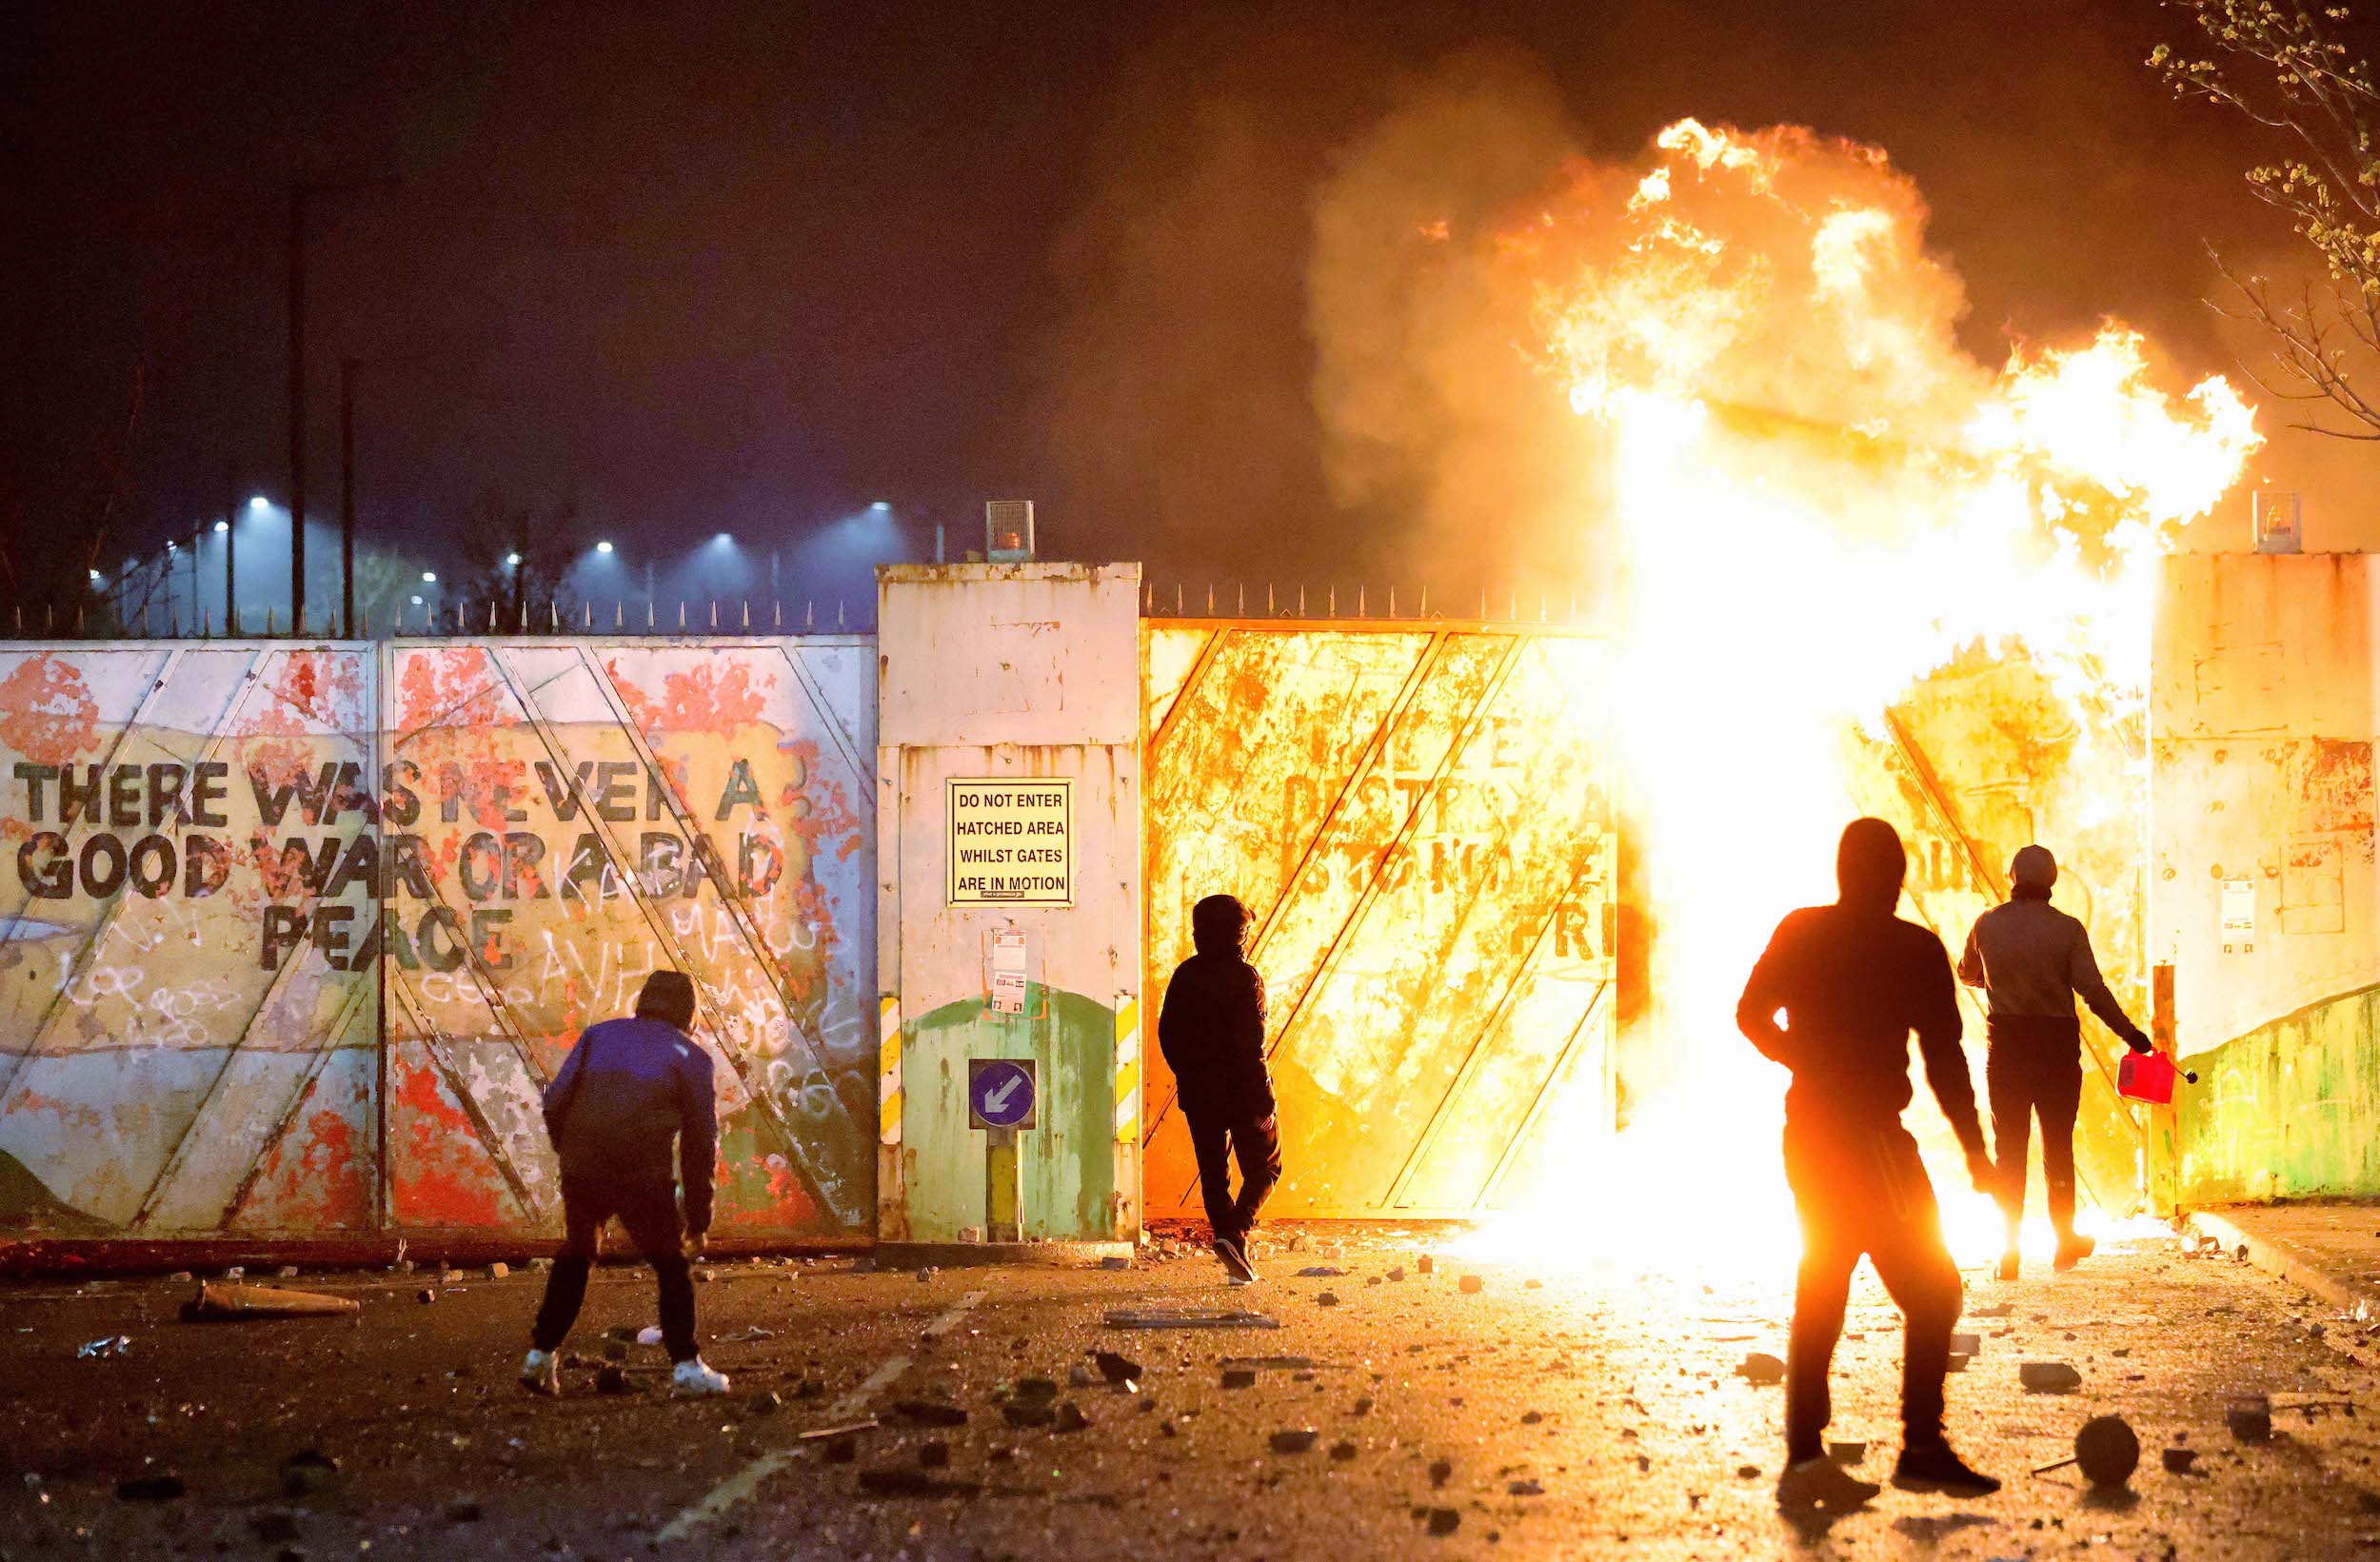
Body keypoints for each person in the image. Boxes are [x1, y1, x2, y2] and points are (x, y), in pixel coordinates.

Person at [1737, 818, 2000, 1506]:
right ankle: (1920, 1447)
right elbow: (1944, 1061)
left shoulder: (1801, 930)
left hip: (1809, 1132)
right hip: (1873, 1142)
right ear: (1894, 876)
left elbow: (1749, 1013)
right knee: (1934, 1289)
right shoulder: (1913, 948)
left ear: (1841, 870)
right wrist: (1976, 1151)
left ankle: (1804, 1458)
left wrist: (1801, 1058)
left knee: (1822, 1281)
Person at [520, 970, 730, 1397]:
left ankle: (540, 1357)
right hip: (642, 1171)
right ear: (690, 1013)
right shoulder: (692, 1058)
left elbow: (555, 1100)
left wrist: (570, 1152)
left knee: (578, 1252)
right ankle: (687, 1367)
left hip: (583, 1165)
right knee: (671, 1264)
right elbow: (700, 1145)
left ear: (642, 1002)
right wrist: (698, 1220)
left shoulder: (598, 1036)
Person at [1958, 844, 2151, 1279]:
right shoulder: (2068, 929)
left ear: (2012, 877)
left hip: (2007, 1049)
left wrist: (1995, 978)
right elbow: (2093, 990)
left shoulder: (1986, 924)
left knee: (2009, 1151)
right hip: (2056, 1051)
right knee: (2058, 1148)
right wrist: (2132, 1036)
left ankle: (2008, 1254)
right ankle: (2065, 1242)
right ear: (2052, 880)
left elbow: (1968, 973)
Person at [1156, 893, 1281, 1286]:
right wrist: (1265, 1099)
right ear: (1239, 934)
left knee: (1214, 1173)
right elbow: (1252, 1048)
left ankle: (1233, 1250)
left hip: (1199, 1095)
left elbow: (1167, 1034)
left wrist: (1189, 1075)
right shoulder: (1246, 979)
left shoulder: (1185, 975)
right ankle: (1236, 1231)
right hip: (1243, 1094)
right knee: (1266, 1167)